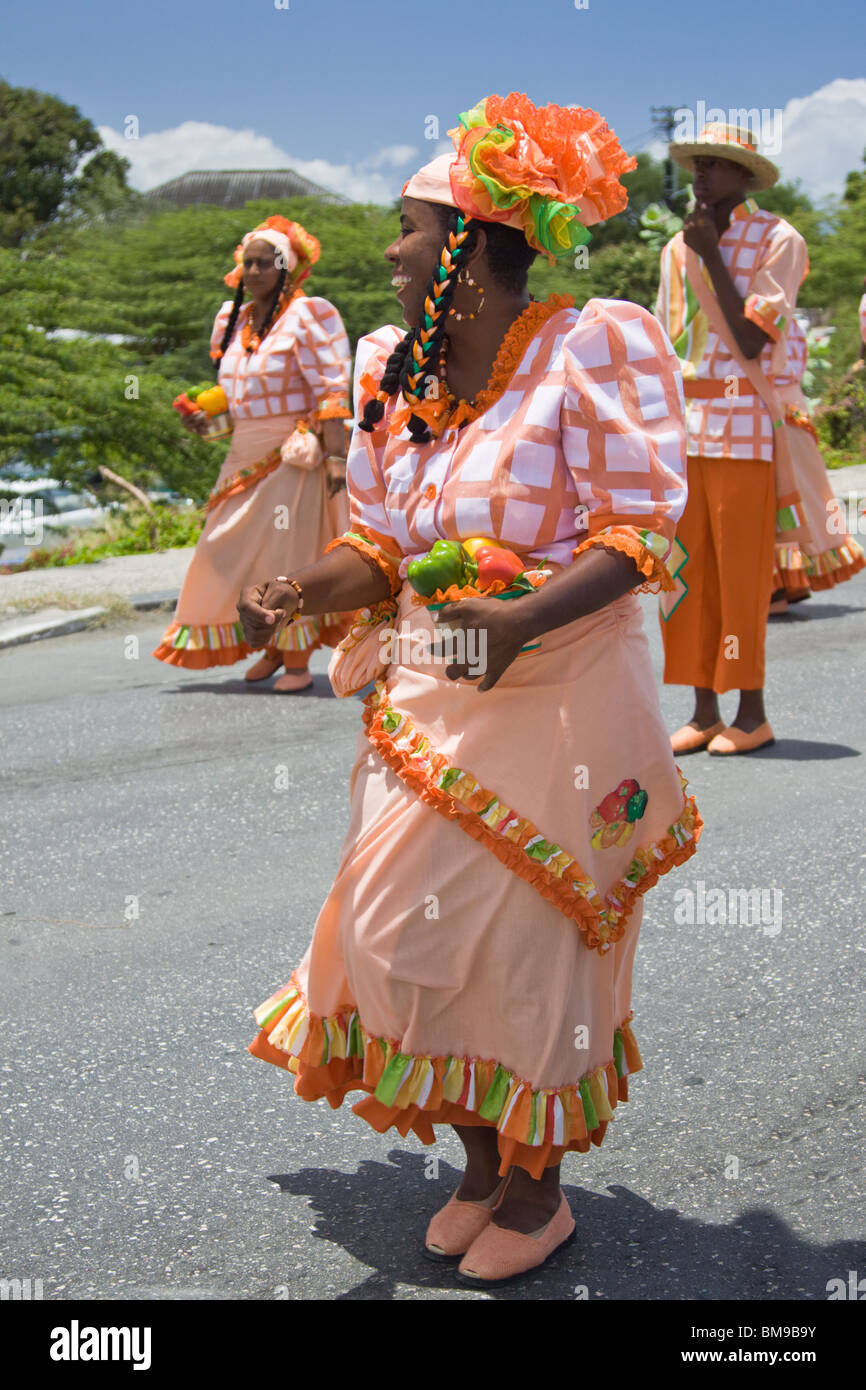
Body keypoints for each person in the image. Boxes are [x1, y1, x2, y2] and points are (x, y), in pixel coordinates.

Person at [239, 93, 702, 1286]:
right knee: (397, 938)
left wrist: (520, 622)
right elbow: (385, 544)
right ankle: (479, 1155)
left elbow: (640, 528)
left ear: (463, 244)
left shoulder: (589, 343)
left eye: (405, 227)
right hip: (431, 693)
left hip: (560, 692)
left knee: (532, 955)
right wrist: (298, 589)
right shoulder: (393, 368)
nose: (386, 250)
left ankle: (532, 1188)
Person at [655, 124, 809, 755]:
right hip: (684, 432)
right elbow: (667, 350)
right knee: (683, 575)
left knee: (743, 577)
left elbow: (752, 342)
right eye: (698, 164)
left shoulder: (780, 240)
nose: (703, 175)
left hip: (746, 429)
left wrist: (710, 255)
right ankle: (702, 709)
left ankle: (752, 714)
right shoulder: (674, 248)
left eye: (719, 165)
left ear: (746, 176)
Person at [153, 216, 352, 692]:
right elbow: (235, 405)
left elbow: (330, 393)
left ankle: (298, 659)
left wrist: (336, 462)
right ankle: (270, 648)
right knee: (224, 548)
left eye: (267, 262)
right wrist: (204, 422)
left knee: (287, 553)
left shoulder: (308, 316)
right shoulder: (232, 320)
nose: (256, 270)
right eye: (250, 262)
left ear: (289, 269)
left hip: (293, 456)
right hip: (243, 453)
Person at [769, 317, 864, 610]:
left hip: (770, 417)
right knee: (801, 499)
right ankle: (787, 585)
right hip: (795, 416)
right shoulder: (792, 326)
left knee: (777, 500)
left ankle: (777, 589)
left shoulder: (764, 324)